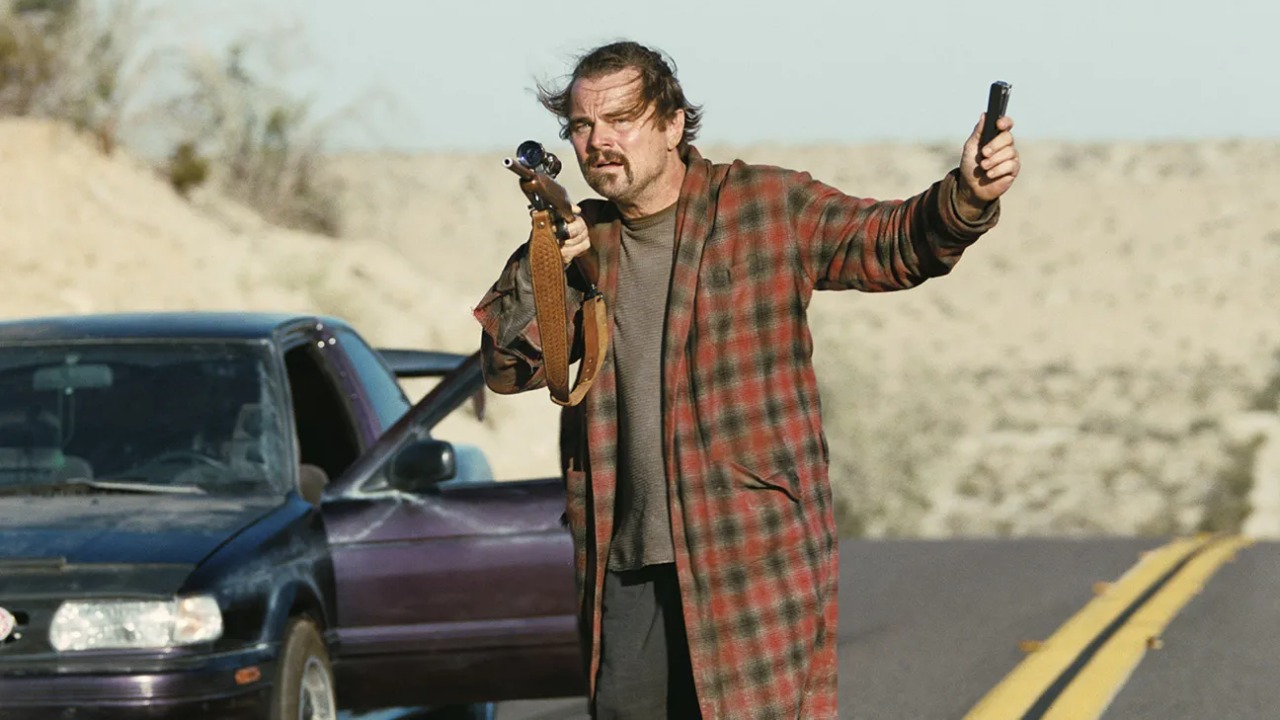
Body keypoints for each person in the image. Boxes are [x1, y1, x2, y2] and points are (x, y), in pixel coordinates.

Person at [474, 40, 1020, 720]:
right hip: (628, 566)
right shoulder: (584, 240)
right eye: (582, 126)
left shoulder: (764, 205)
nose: (599, 141)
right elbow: (505, 369)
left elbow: (894, 243)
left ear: (672, 124)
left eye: (620, 119)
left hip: (749, 557)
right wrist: (542, 266)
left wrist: (965, 196)